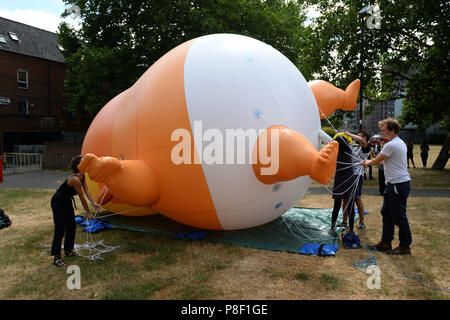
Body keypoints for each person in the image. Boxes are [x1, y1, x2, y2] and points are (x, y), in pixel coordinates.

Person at [362, 118, 412, 255]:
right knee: (387, 212)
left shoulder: (391, 145)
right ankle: (386, 242)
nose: (382, 132)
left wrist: (367, 162)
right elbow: (384, 161)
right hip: (394, 184)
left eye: (384, 130)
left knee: (399, 216)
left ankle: (405, 246)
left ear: (392, 131)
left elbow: (378, 160)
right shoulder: (397, 143)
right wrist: (371, 160)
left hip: (397, 184)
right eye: (382, 129)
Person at [50, 155, 100, 267]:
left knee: (71, 226)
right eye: (84, 162)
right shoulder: (75, 179)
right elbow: (82, 197)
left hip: (67, 201)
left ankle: (68, 250)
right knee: (60, 229)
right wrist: (88, 212)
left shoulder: (82, 177)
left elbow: (87, 190)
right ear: (79, 166)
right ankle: (56, 258)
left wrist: (94, 203)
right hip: (58, 201)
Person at [328, 133, 358, 236]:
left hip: (340, 179)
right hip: (350, 178)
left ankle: (332, 229)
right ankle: (351, 230)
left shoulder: (335, 153)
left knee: (337, 205)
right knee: (350, 206)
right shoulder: (350, 150)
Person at [342, 130, 371, 230]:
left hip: (357, 176)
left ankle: (361, 222)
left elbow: (361, 140)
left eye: (358, 136)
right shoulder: (353, 146)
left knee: (357, 198)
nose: (355, 137)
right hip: (349, 175)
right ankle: (344, 221)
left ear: (365, 138)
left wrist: (349, 134)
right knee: (345, 198)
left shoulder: (365, 147)